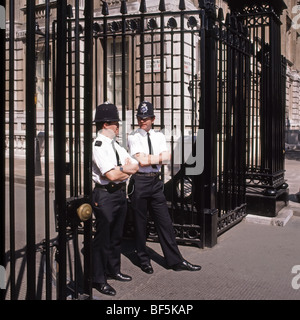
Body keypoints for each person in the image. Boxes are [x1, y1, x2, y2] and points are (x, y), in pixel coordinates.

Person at [127, 101, 201, 274]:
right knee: (140, 223)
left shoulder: (159, 136)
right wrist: (155, 157)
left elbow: (167, 157)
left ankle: (175, 260)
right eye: (139, 118)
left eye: (145, 118)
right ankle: (143, 259)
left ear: (153, 119)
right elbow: (142, 161)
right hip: (140, 181)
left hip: (154, 182)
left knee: (165, 222)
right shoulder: (133, 137)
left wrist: (151, 157)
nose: (142, 121)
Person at [92, 103, 139, 296]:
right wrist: (123, 170)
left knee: (116, 236)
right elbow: (109, 175)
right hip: (105, 194)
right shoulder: (99, 145)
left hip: (119, 193)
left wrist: (120, 170)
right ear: (105, 125)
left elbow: (135, 166)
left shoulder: (116, 145)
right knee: (103, 238)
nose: (118, 127)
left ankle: (114, 270)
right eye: (115, 123)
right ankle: (99, 278)